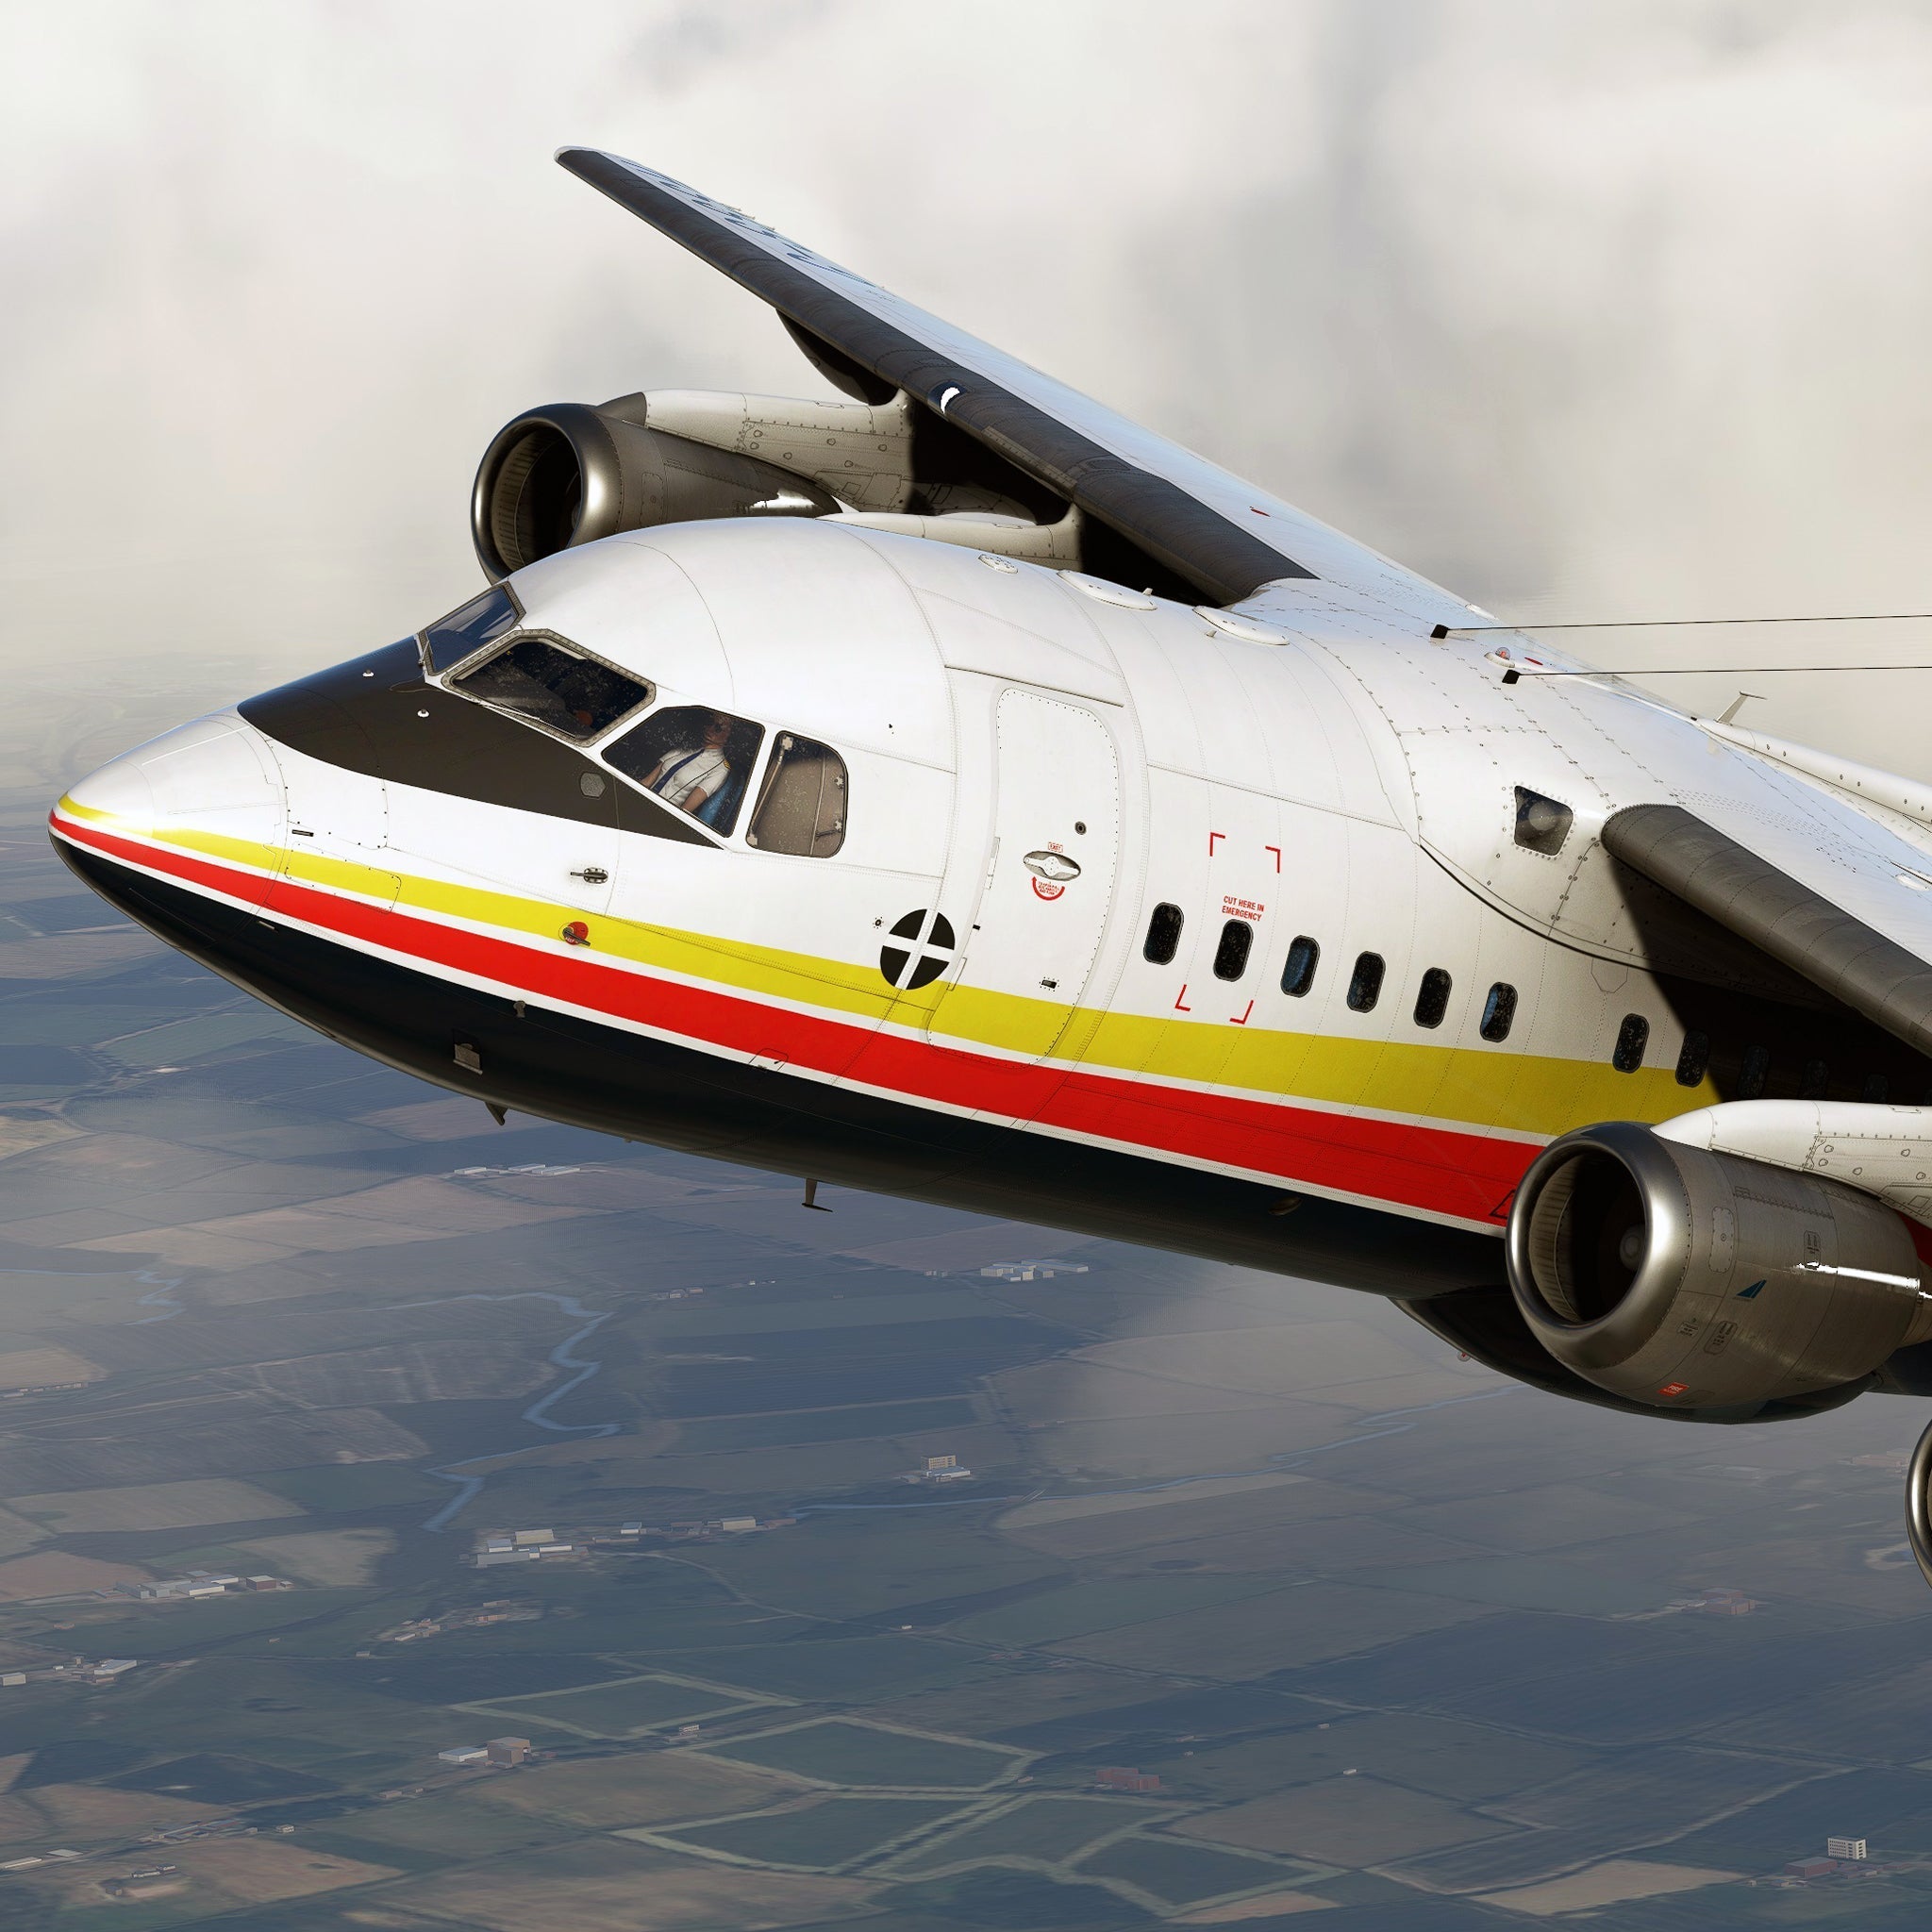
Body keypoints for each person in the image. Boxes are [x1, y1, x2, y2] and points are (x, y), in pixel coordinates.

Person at [640, 711, 734, 819]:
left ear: (728, 736)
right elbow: (646, 782)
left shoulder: (720, 769)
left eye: (718, 728)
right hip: (642, 801)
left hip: (660, 816)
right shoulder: (687, 747)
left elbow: (683, 812)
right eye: (710, 723)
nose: (710, 729)